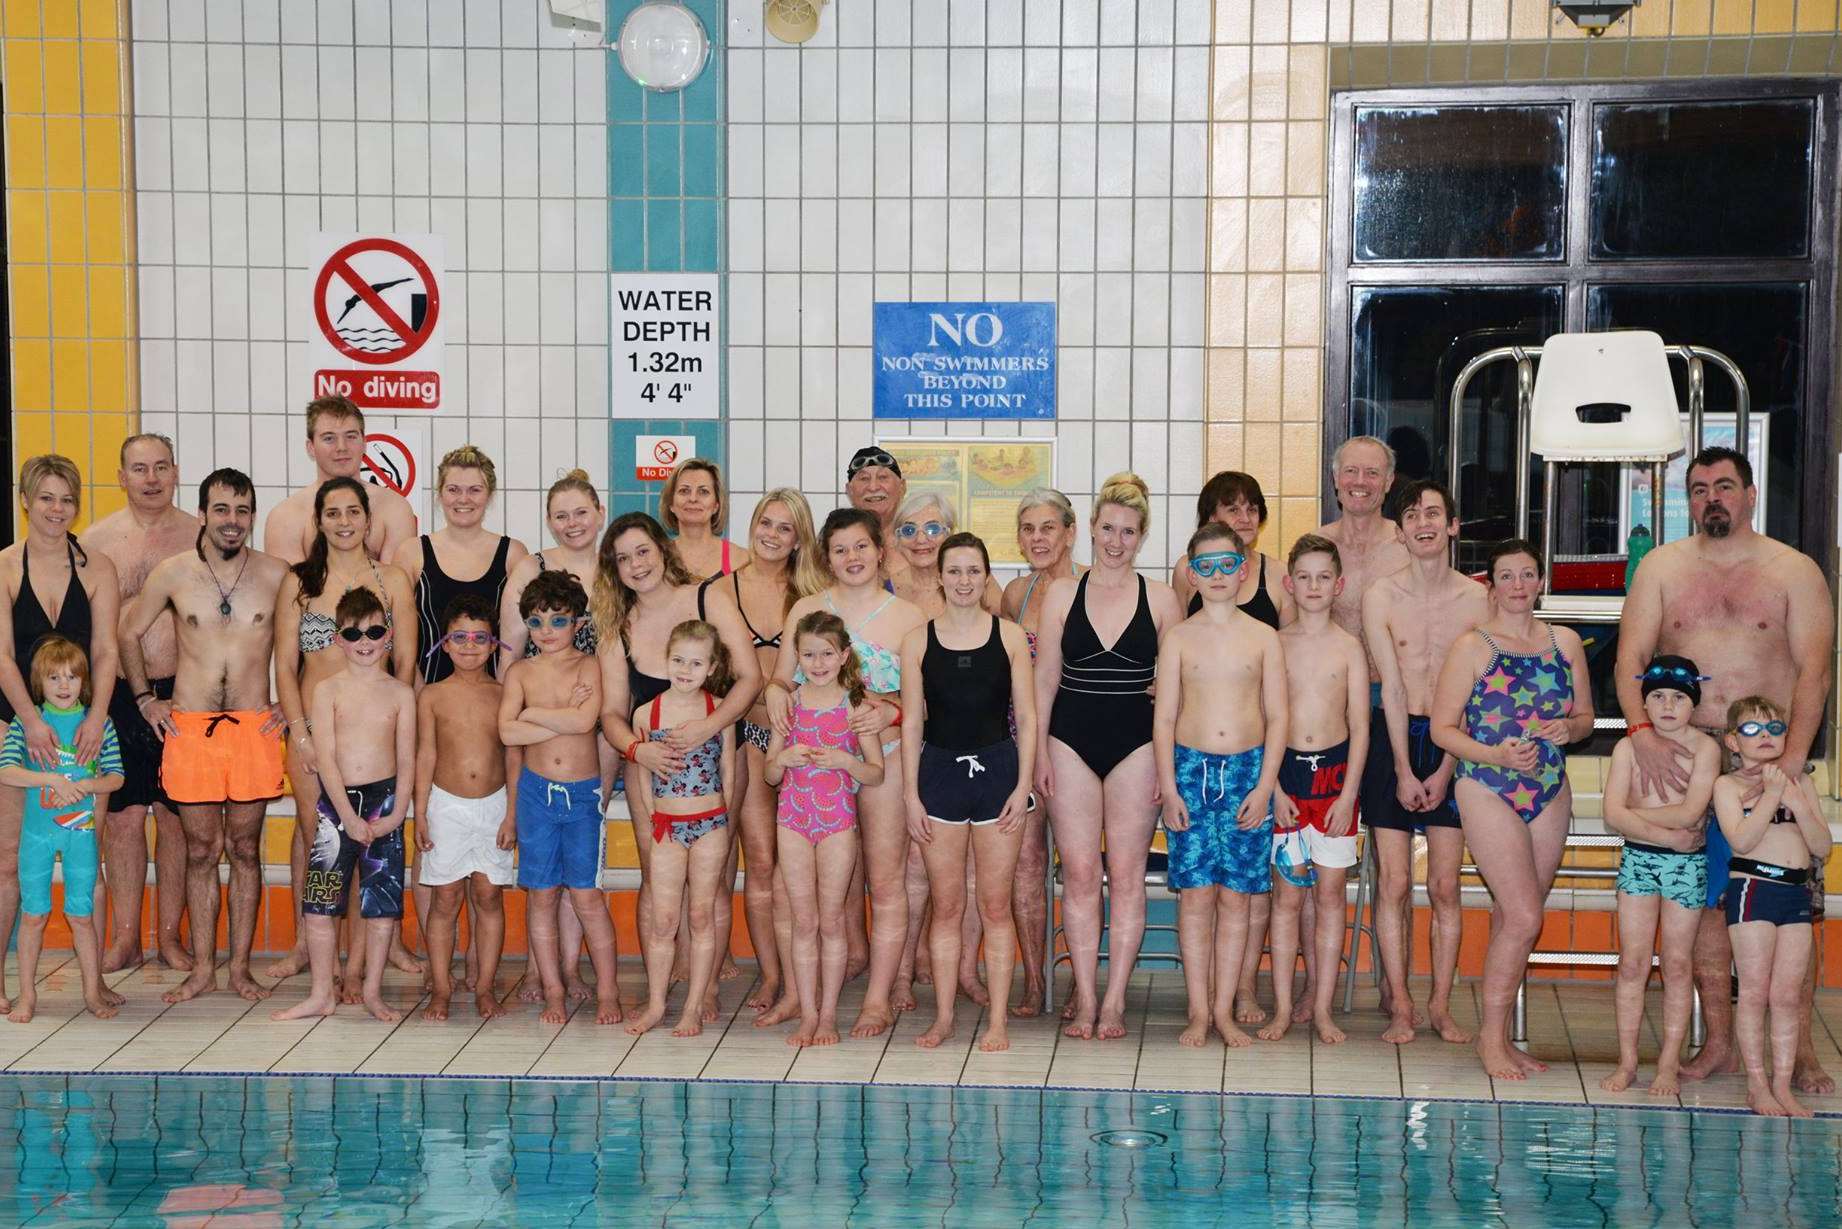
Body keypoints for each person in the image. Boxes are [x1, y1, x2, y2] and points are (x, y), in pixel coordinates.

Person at [1615, 445, 1834, 1094]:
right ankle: (1718, 1043)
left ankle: (1805, 1053)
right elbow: (1631, 663)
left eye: (1725, 486)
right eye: (1700, 488)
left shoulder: (1793, 571)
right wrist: (1642, 735)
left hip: (1770, 758)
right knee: (1708, 909)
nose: (1713, 497)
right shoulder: (1661, 567)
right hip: (1686, 757)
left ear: (1751, 493)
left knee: (1790, 902)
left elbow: (1814, 675)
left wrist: (1787, 767)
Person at [119, 469, 289, 1005]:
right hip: (190, 728)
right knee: (199, 850)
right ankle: (201, 970)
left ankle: (239, 969)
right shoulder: (173, 573)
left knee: (243, 848)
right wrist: (146, 698)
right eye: (221, 509)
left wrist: (294, 698)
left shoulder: (277, 575)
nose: (232, 521)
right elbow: (128, 631)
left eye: (242, 510)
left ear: (253, 515)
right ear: (203, 513)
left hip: (253, 728)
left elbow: (311, 637)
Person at [1430, 539, 1593, 1080]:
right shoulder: (1472, 646)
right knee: (1526, 916)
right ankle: (1490, 1044)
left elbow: (1587, 719)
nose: (1518, 585)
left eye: (1528, 574)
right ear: (1491, 584)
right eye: (1507, 575)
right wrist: (1495, 753)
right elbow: (1442, 728)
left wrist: (1567, 728)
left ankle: (1496, 1036)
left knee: (1513, 917)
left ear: (1541, 581)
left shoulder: (1565, 642)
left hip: (1547, 787)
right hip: (1486, 784)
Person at [763, 508, 926, 1038]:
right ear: (825, 556)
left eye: (861, 546)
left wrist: (892, 710)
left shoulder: (908, 616)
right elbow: (781, 680)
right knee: (801, 892)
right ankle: (798, 993)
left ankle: (877, 998)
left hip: (885, 755)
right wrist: (773, 696)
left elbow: (924, 699)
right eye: (840, 549)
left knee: (885, 878)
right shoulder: (807, 608)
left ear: (880, 550)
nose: (851, 558)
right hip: (813, 769)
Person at [595, 513, 762, 1022]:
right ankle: (660, 989)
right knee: (658, 882)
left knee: (709, 884)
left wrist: (710, 728)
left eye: (642, 551)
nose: (635, 565)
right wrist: (635, 750)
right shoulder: (616, 626)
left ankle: (703, 986)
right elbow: (610, 712)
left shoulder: (707, 598)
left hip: (716, 764)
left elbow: (749, 679)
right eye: (622, 559)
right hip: (652, 773)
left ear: (662, 550)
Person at [1035, 473, 1185, 1041]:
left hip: (1137, 744)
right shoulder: (1061, 595)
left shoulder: (1163, 600)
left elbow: (1174, 689)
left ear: (1142, 537)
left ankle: (1116, 999)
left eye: (1127, 532)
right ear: (1090, 531)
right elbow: (1046, 678)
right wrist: (1038, 756)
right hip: (1069, 741)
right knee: (1078, 875)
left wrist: (1167, 766)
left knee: (1125, 877)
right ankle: (1087, 996)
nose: (1115, 541)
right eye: (1107, 529)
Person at [269, 478, 418, 989]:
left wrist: (397, 735)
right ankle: (318, 957)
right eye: (332, 513)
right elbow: (285, 667)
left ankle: (358, 964)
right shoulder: (300, 582)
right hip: (314, 731)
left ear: (368, 519)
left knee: (370, 845)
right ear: (318, 521)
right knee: (321, 842)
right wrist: (301, 734)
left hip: (374, 739)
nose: (344, 522)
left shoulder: (394, 579)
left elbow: (406, 663)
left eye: (353, 511)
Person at [1359, 479, 1489, 1045]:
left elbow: (1482, 695)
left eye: (1434, 513)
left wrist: (1445, 767)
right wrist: (1406, 771)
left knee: (1443, 885)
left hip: (1455, 739)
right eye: (1411, 515)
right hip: (1394, 736)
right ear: (1401, 530)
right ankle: (1402, 1007)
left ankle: (1440, 1003)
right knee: (1391, 882)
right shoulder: (1381, 595)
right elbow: (1389, 687)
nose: (1424, 522)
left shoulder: (1478, 600)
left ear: (1453, 525)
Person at [900, 533, 1036, 1053]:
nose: (962, 581)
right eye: (953, 571)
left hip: (999, 773)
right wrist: (911, 796)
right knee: (948, 906)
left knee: (995, 906)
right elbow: (913, 722)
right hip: (939, 775)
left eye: (972, 571)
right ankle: (944, 1018)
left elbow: (1025, 716)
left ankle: (997, 1021)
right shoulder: (918, 640)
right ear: (939, 577)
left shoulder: (1009, 637)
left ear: (986, 577)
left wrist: (1023, 786)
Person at [1153, 521, 1286, 1048]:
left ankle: (1227, 1010)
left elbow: (1278, 718)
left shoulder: (1265, 637)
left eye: (1226, 565)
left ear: (1244, 568)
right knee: (1195, 899)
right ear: (1191, 573)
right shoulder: (1179, 638)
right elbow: (1163, 719)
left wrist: (1266, 786)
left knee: (1237, 900)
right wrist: (1168, 787)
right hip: (1189, 772)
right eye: (1204, 566)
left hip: (1248, 774)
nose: (1216, 575)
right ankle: (1198, 1012)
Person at [0, 455, 122, 1015]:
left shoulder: (97, 567)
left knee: (85, 857)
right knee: (8, 862)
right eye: (46, 498)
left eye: (66, 499)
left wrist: (97, 717)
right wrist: (29, 719)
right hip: (17, 723)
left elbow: (105, 649)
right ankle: (5, 983)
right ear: (26, 500)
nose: (56, 509)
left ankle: (92, 985)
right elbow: (2, 656)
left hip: (83, 729)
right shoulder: (4, 566)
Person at [81, 433, 198, 973]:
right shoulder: (97, 540)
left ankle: (170, 937)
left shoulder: (199, 536)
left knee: (176, 821)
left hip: (186, 692)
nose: (151, 479)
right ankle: (126, 937)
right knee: (125, 819)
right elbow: (86, 631)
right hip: (121, 697)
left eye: (160, 467)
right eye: (139, 469)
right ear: (121, 475)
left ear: (176, 473)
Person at [498, 470, 604, 1003]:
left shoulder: (615, 570)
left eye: (581, 512)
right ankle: (551, 977)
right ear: (548, 520)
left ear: (599, 513)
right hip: (541, 758)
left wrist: (542, 715)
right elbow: (510, 660)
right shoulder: (530, 569)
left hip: (602, 742)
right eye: (560, 514)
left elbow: (589, 718)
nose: (572, 523)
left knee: (582, 881)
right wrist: (546, 711)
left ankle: (575, 971)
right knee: (546, 883)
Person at [502, 568, 621, 1026]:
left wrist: (532, 712)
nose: (547, 631)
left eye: (558, 620)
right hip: (535, 795)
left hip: (582, 797)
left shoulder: (589, 666)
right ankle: (554, 991)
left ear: (578, 623)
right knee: (543, 897)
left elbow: (583, 722)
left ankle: (608, 992)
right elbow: (505, 729)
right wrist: (557, 713)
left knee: (588, 896)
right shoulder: (520, 671)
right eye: (536, 622)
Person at [723, 489, 825, 1019]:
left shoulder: (814, 596)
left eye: (786, 528)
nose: (772, 534)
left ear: (798, 538)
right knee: (761, 862)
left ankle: (801, 976)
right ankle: (771, 973)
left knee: (795, 868)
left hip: (803, 743)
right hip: (748, 736)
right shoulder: (720, 590)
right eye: (766, 521)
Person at [1599, 656, 1721, 1097]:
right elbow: (1610, 813)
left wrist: (1635, 817)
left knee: (1676, 963)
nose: (1668, 706)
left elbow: (1692, 811)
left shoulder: (1706, 749)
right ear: (1644, 704)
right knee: (1632, 963)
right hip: (1641, 860)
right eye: (1657, 697)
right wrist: (1663, 837)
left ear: (1693, 704)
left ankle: (1668, 1063)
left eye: (1677, 698)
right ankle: (1628, 1060)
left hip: (1686, 868)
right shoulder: (1626, 749)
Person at [765, 611, 885, 1047]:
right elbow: (769, 774)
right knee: (803, 920)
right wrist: (783, 759)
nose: (818, 663)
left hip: (836, 821)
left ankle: (830, 1014)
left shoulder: (854, 704)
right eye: (809, 655)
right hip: (793, 820)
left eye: (826, 654)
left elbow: (876, 773)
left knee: (831, 921)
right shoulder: (790, 705)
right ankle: (808, 1013)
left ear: (844, 655)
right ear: (796, 657)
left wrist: (847, 762)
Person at [1266, 535, 1368, 1045]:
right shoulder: (1274, 644)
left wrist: (1350, 794)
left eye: (1323, 577)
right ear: (1289, 583)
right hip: (1285, 777)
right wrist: (1272, 790)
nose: (1312, 586)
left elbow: (1360, 726)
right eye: (1303, 576)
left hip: (1333, 780)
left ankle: (1323, 1008)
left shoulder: (1349, 647)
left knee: (1330, 896)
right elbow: (1265, 721)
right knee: (1287, 898)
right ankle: (1284, 1008)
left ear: (1338, 585)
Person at [1711, 696, 1831, 1117]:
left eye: (1774, 728)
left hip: (1796, 893)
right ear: (1732, 741)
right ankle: (1756, 1085)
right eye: (1752, 729)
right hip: (1753, 891)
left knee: (1787, 996)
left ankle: (1782, 1085)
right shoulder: (1727, 786)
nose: (1765, 736)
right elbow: (1741, 841)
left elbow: (1822, 847)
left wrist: (1795, 803)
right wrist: (1771, 795)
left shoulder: (1803, 784)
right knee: (1755, 993)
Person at [0, 636, 123, 1022]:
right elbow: (6, 770)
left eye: (72, 677)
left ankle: (91, 992)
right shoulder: (26, 723)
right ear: (40, 682)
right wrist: (51, 779)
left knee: (82, 916)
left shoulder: (98, 725)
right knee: (34, 914)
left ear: (84, 681)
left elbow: (116, 778)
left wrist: (87, 785)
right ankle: (27, 996)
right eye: (54, 678)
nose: (64, 686)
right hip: (37, 836)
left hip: (80, 835)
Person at [627, 619, 737, 1038]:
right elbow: (640, 772)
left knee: (701, 915)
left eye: (696, 663)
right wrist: (656, 814)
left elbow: (727, 768)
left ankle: (693, 1004)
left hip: (710, 824)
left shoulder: (718, 711)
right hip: (667, 826)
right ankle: (657, 1003)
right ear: (666, 661)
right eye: (678, 661)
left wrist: (720, 817)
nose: (685, 670)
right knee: (663, 919)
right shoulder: (646, 713)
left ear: (711, 668)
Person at [414, 594, 519, 1022]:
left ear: (494, 643)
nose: (470, 646)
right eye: (460, 637)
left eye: (480, 638)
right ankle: (441, 988)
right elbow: (425, 755)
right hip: (447, 805)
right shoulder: (433, 696)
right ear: (445, 643)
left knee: (489, 895)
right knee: (444, 899)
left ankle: (485, 988)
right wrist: (420, 812)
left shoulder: (505, 694)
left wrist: (512, 812)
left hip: (494, 805)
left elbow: (514, 755)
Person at [997, 488, 1080, 1016]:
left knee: (1076, 866)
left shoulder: (1098, 586)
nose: (1037, 538)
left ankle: (1078, 981)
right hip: (1019, 743)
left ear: (1070, 532)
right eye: (1028, 529)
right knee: (1026, 865)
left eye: (1048, 527)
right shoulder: (1014, 594)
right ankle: (1033, 980)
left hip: (1076, 739)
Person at [397, 445, 528, 686]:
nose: (463, 499)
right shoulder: (412, 553)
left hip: (493, 697)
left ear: (489, 494)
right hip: (426, 693)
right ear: (440, 493)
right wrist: (419, 699)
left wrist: (503, 698)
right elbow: (401, 640)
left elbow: (520, 640)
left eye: (474, 490)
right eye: (454, 490)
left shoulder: (513, 554)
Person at [261, 395, 418, 566]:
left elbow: (395, 587)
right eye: (329, 438)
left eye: (350, 436)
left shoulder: (394, 508)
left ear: (364, 443)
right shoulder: (286, 516)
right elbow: (293, 590)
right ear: (311, 448)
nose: (342, 447)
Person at [1317, 436, 1410, 665]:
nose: (1360, 481)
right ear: (1336, 479)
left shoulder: (1408, 547)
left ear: (1388, 482)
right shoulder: (1315, 547)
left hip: (1397, 691)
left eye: (1372, 473)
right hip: (1335, 689)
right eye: (1350, 471)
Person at [1170, 470, 1294, 627]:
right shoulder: (1187, 568)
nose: (1245, 519)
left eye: (1252, 510)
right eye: (1234, 510)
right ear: (1212, 518)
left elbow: (1290, 644)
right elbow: (1178, 635)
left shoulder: (1279, 574)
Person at [890, 493, 1003, 617]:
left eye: (932, 529)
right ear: (898, 539)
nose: (920, 539)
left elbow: (1003, 631)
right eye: (909, 530)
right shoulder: (886, 588)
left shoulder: (975, 582)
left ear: (949, 535)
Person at [661, 458, 749, 582]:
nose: (692, 498)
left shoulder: (741, 560)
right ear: (671, 504)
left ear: (716, 505)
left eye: (703, 491)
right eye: (684, 491)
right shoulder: (657, 558)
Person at [844, 446, 908, 559]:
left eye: (882, 477)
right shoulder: (835, 547)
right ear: (850, 491)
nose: (873, 487)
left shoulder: (919, 545)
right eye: (864, 479)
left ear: (902, 487)